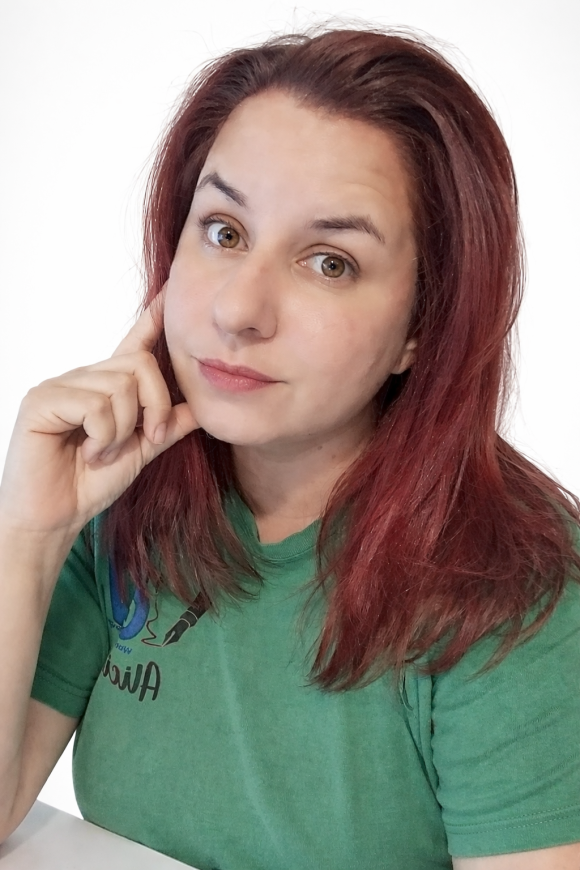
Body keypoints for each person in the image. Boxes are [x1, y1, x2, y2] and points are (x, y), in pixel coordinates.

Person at [0, 22, 579, 870]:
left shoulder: (515, 591)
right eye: (224, 231)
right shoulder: (127, 495)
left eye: (329, 262)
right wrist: (29, 535)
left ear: (422, 325)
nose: (239, 310)